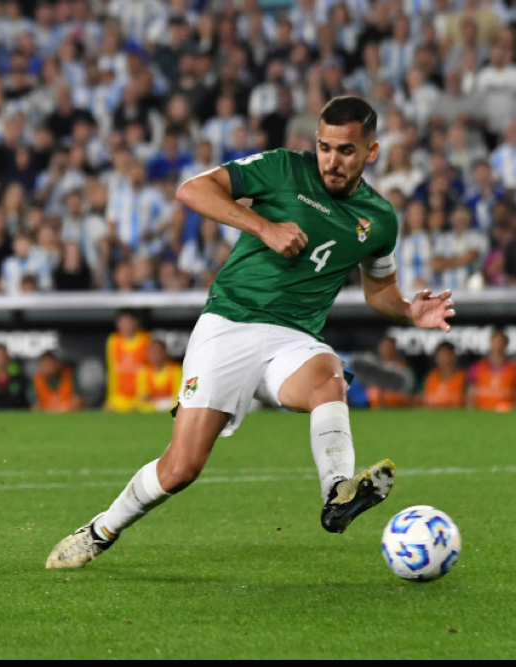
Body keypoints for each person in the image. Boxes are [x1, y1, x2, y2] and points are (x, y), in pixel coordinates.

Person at [47, 97, 455, 570]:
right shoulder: (283, 167)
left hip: (294, 338)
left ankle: (337, 494)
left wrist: (408, 310)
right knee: (181, 469)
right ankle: (100, 530)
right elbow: (193, 190)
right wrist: (264, 227)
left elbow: (380, 290)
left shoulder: (379, 220)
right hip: (231, 323)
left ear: (372, 151)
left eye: (346, 151)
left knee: (330, 378)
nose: (331, 161)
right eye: (324, 147)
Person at [104, 310, 150, 413]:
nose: (126, 325)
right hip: (120, 398)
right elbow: (112, 371)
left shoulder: (145, 339)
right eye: (123, 322)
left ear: (136, 322)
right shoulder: (113, 341)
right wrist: (110, 398)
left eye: (129, 322)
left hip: (140, 399)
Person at [466, 329, 516, 412]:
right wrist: (471, 411)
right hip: (481, 413)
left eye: (500, 342)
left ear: (506, 344)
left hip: (504, 414)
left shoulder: (513, 369)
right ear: (490, 343)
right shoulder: (477, 367)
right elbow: (471, 394)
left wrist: (510, 408)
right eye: (495, 341)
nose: (497, 345)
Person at [366, 336, 416, 409]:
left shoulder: (403, 368)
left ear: (396, 349)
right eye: (384, 346)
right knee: (373, 392)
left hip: (398, 403)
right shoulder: (373, 367)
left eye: (389, 346)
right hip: (376, 403)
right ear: (379, 348)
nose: (386, 349)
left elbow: (407, 391)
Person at [136, 338, 182, 413]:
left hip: (170, 408)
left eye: (159, 352)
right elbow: (142, 398)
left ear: (165, 353)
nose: (156, 355)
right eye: (152, 352)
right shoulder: (144, 372)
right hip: (152, 409)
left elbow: (179, 398)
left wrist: (156, 402)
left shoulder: (175, 370)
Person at [422, 342, 466, 409]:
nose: (442, 359)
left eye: (445, 355)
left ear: (454, 356)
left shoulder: (463, 377)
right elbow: (423, 401)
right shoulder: (431, 376)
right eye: (440, 355)